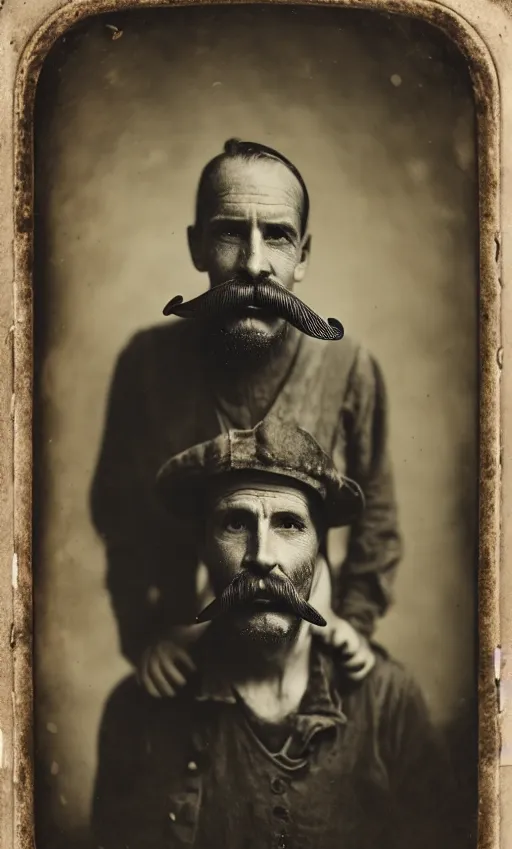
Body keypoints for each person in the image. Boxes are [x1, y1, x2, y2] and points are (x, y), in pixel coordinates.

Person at [93, 419, 461, 849]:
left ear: (319, 554)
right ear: (203, 549)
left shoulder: (388, 703)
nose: (262, 556)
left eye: (289, 524)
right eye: (235, 523)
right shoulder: (137, 714)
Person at [90, 138, 401, 696]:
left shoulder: (351, 369)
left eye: (278, 236)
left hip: (307, 655)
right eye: (230, 232)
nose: (255, 264)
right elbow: (122, 521)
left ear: (303, 256)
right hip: (188, 665)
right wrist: (146, 637)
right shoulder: (146, 364)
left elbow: (377, 518)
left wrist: (355, 623)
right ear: (197, 247)